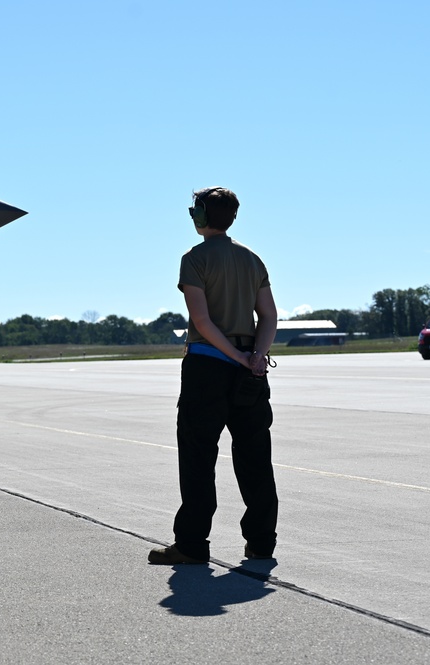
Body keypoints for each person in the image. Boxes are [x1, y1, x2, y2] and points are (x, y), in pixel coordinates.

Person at [148, 186, 279, 565]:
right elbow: (269, 316)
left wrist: (235, 355)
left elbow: (202, 321)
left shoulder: (194, 259)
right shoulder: (252, 260)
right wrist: (255, 356)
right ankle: (261, 542)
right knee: (255, 455)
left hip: (208, 367)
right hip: (250, 373)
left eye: (195, 210)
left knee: (198, 457)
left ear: (202, 216)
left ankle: (191, 544)